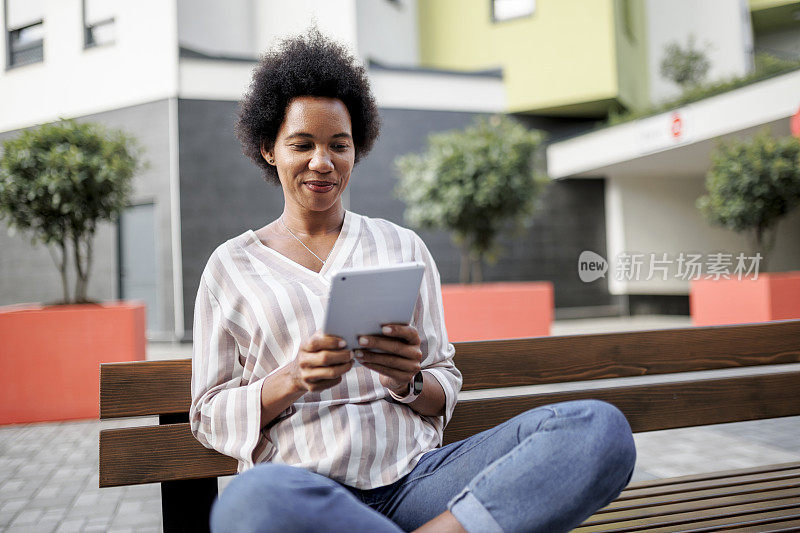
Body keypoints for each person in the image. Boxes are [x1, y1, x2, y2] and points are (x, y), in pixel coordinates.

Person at [190, 28, 636, 533]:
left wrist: (409, 379)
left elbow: (443, 381)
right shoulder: (230, 267)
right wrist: (292, 378)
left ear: (357, 149)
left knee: (600, 431)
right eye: (302, 144)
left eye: (340, 144)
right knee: (250, 500)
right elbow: (208, 415)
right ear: (269, 149)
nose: (323, 161)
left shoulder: (401, 247)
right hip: (307, 489)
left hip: (419, 481)